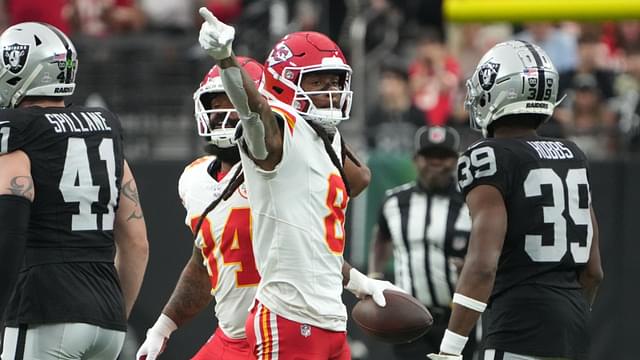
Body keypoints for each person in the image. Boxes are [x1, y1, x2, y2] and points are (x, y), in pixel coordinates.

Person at [197, 8, 402, 359]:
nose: (332, 91)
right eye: (318, 82)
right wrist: (226, 60)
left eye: (336, 82)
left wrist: (358, 282)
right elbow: (253, 110)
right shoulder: (282, 129)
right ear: (283, 83)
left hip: (330, 316)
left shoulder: (325, 136)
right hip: (288, 315)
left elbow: (348, 197)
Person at [428, 40, 604, 360]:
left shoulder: (487, 156)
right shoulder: (572, 154)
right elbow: (593, 271)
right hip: (574, 332)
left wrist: (450, 351)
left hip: (516, 331)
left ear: (499, 91)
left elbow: (482, 266)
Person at [0, 22, 149, 359]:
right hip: (107, 319)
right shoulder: (105, 132)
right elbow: (137, 243)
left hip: (43, 307)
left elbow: (8, 231)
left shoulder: (19, 133)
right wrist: (112, 317)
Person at [135, 57, 264, 360]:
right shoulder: (195, 178)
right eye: (217, 104)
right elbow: (205, 259)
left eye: (235, 103)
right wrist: (163, 326)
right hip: (232, 336)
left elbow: (315, 248)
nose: (223, 115)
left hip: (281, 335)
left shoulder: (282, 172)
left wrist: (358, 281)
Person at [369, 125, 476, 359]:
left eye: (443, 156)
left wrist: (469, 267)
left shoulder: (471, 204)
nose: (436, 163)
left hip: (457, 319)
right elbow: (381, 238)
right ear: (416, 160)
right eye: (429, 156)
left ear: (456, 160)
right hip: (410, 318)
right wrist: (374, 276)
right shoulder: (394, 202)